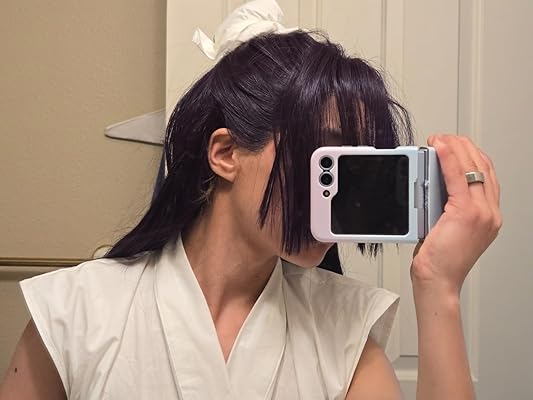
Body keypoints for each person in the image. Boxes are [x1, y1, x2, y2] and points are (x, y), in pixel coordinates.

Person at [0, 2, 501, 399]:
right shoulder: (73, 312)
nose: (344, 191)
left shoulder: (344, 329)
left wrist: (439, 286)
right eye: (328, 158)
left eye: (359, 166)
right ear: (225, 153)